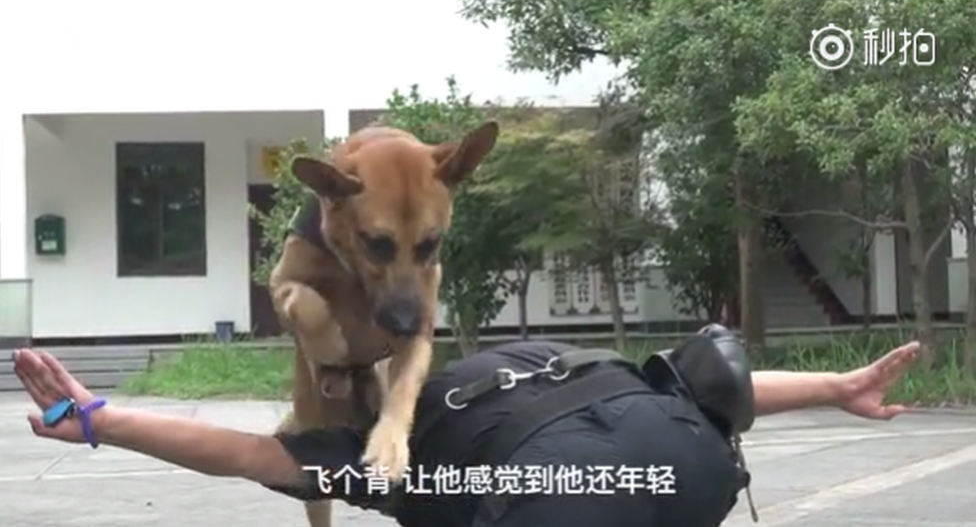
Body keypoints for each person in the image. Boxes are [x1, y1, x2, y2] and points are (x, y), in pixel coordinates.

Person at [12, 325, 919, 527]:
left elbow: (241, 454)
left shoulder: (385, 456)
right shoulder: (528, 358)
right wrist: (839, 383)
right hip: (683, 462)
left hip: (553, 495)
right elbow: (715, 383)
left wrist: (99, 418)